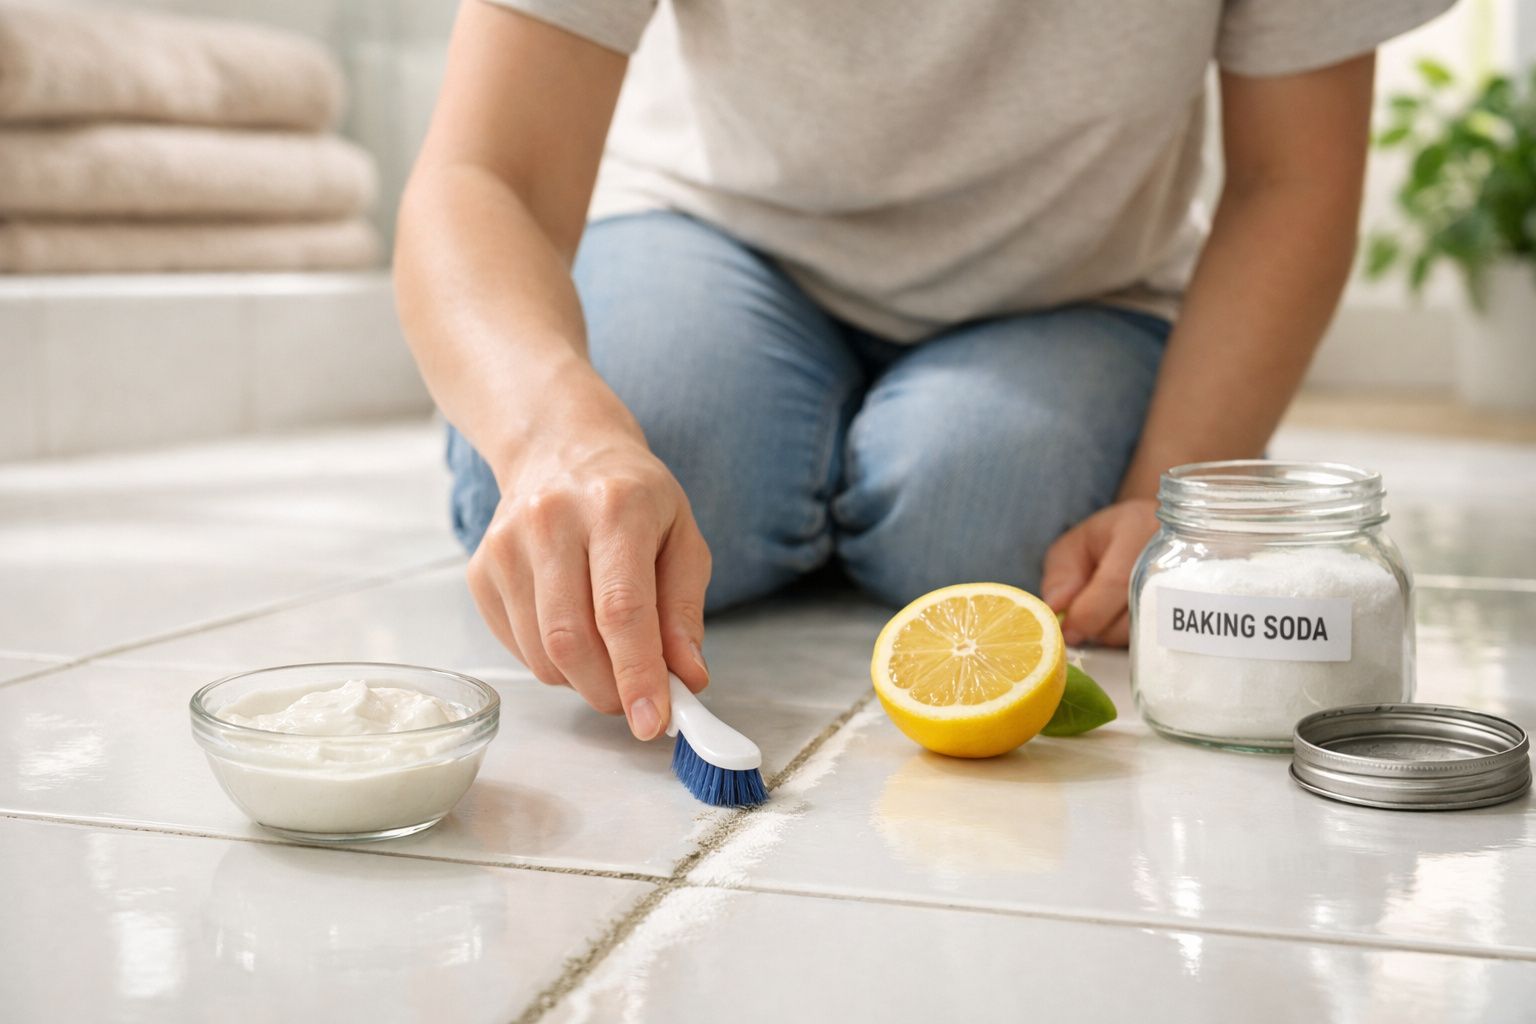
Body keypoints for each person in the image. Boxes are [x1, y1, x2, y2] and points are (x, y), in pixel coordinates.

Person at [395, 0, 1452, 742]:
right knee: (593, 484)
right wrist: (555, 436)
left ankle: (828, 485)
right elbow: (485, 170)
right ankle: (806, 476)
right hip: (708, 231)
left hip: (1068, 287)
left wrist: (1168, 493)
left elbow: (1292, 178)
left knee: (984, 514)